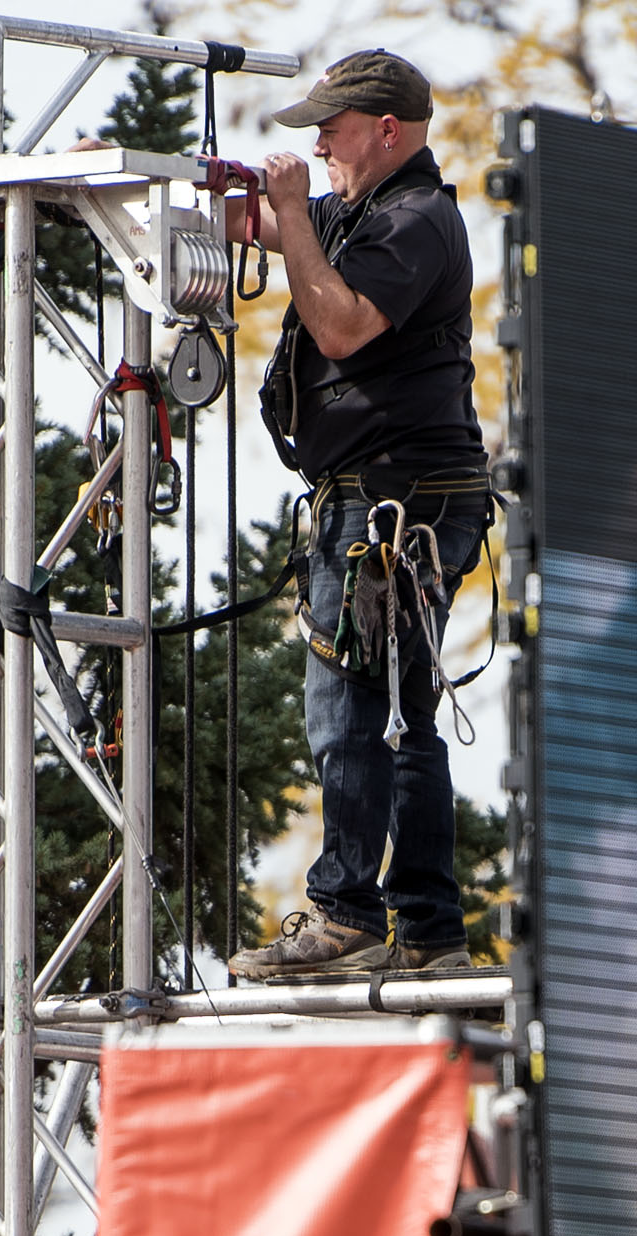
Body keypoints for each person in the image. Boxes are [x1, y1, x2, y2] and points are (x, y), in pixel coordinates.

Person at [222, 49, 493, 980]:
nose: (320, 146)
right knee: (401, 708)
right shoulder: (364, 210)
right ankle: (426, 926)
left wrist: (293, 215)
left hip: (395, 499)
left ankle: (345, 912)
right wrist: (151, 175)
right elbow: (254, 221)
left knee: (347, 701)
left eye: (332, 131)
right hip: (401, 491)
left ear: (388, 130)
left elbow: (337, 325)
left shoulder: (416, 220)